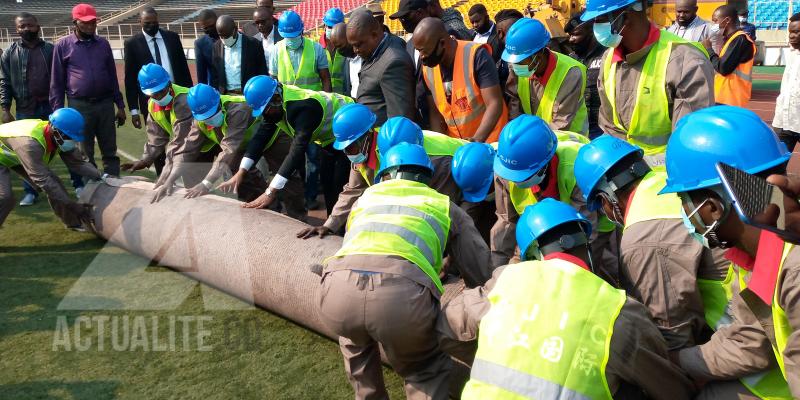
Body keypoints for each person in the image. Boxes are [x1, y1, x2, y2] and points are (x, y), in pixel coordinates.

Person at [441, 198, 695, 399]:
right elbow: (669, 388)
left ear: (531, 256)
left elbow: (451, 317)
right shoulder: (618, 310)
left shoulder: (506, 279)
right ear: (586, 245)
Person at [318, 142, 492, 400]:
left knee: (356, 349)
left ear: (385, 174)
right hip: (402, 301)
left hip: (336, 291)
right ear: (426, 176)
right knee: (424, 370)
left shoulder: (366, 198)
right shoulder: (442, 204)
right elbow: (481, 272)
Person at [660, 106, 797, 398]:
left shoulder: (793, 270)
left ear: (713, 207)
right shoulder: (760, 252)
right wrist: (682, 362)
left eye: (685, 200)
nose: (685, 214)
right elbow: (753, 339)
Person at [574, 135, 729, 351]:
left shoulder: (641, 240)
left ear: (606, 198)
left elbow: (673, 333)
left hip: (746, 332)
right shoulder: (665, 179)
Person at [296, 104, 463, 239]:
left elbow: (441, 206)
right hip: (445, 171)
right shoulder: (362, 153)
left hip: (459, 168)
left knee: (453, 219)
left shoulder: (399, 153)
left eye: (351, 147)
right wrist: (329, 226)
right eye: (345, 149)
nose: (348, 153)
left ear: (367, 136)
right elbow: (352, 191)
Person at [582, 0, 715, 168]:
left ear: (626, 15)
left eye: (600, 18)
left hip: (667, 173)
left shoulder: (686, 61)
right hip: (624, 168)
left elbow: (689, 144)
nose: (595, 27)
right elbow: (610, 127)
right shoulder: (609, 59)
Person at [491, 115, 619, 286]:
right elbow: (506, 223)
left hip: (594, 223)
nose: (516, 181)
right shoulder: (507, 169)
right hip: (541, 225)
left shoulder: (575, 167)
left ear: (545, 164)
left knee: (597, 271)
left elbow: (585, 235)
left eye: (524, 177)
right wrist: (496, 278)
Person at [227, 75, 353, 218]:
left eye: (265, 110)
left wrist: (270, 192)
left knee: (340, 183)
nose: (264, 115)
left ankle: (343, 229)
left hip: (350, 130)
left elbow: (296, 151)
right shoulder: (273, 108)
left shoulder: (302, 108)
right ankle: (334, 228)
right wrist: (241, 172)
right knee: (327, 182)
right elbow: (260, 138)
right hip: (328, 138)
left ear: (276, 99)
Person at [50, 3, 126, 187]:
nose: (91, 26)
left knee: (109, 148)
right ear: (75, 22)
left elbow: (112, 76)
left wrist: (120, 105)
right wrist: (57, 114)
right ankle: (91, 190)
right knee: (85, 151)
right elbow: (56, 83)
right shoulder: (62, 45)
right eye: (86, 23)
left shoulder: (103, 44)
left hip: (105, 104)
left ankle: (113, 184)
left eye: (93, 22)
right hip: (79, 106)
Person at [152, 84, 266, 204]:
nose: (209, 118)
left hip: (270, 138)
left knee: (278, 177)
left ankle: (273, 206)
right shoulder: (200, 119)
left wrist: (206, 183)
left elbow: (229, 149)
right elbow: (187, 149)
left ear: (218, 101)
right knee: (237, 176)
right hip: (241, 143)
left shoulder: (238, 110)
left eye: (212, 113)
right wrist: (171, 179)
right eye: (205, 117)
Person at [0, 108, 101, 229]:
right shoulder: (30, 144)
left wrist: (101, 176)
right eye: (71, 137)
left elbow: (77, 163)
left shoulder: (58, 135)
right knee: (6, 197)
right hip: (9, 154)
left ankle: (72, 222)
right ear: (56, 132)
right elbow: (43, 180)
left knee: (54, 184)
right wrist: (72, 205)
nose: (73, 142)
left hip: (13, 155)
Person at [414, 17, 508, 142]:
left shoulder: (477, 56)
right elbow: (435, 113)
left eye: (424, 51)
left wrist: (476, 141)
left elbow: (494, 104)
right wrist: (443, 146)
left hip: (491, 142)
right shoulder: (428, 69)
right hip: (458, 147)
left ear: (442, 43)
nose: (422, 57)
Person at [123, 8, 192, 176]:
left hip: (178, 98)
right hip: (152, 101)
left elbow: (183, 68)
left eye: (154, 22)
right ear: (140, 22)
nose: (152, 26)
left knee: (186, 138)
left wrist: (190, 94)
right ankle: (164, 177)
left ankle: (189, 175)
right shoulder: (132, 43)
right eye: (147, 23)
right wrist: (133, 110)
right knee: (157, 140)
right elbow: (130, 79)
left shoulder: (172, 38)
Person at [1, 12, 56, 206]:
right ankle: (31, 192)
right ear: (17, 29)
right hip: (25, 109)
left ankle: (78, 185)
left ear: (38, 26)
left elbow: (58, 79)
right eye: (22, 26)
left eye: (30, 25)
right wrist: (6, 108)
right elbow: (4, 82)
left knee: (63, 146)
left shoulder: (50, 49)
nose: (26, 29)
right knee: (25, 153)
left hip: (50, 107)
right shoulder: (9, 52)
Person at [504, 18, 588, 135]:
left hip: (567, 144)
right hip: (533, 139)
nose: (513, 66)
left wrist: (526, 139)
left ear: (537, 57)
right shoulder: (519, 68)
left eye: (519, 61)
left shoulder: (570, 73)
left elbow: (560, 124)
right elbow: (514, 104)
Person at [120, 64, 194, 187]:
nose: (158, 96)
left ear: (169, 84)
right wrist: (145, 160)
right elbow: (156, 137)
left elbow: (180, 141)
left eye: (161, 91)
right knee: (192, 186)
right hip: (194, 146)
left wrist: (167, 173)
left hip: (212, 141)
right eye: (154, 94)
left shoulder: (184, 100)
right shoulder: (152, 105)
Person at [348, 11, 415, 125]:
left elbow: (399, 121)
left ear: (374, 35)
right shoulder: (372, 51)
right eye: (353, 45)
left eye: (358, 45)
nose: (355, 50)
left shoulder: (393, 62)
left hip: (381, 139)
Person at [702, 5, 756, 108]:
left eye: (715, 21)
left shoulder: (740, 39)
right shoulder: (730, 39)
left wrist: (709, 49)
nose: (713, 25)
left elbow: (723, 68)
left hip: (731, 99)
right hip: (723, 97)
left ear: (727, 20)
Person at [565, 16, 606, 138]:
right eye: (569, 35)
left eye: (576, 34)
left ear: (592, 32)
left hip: (602, 130)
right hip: (578, 130)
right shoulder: (570, 59)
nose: (571, 39)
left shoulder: (607, 55)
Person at [269, 11, 331, 92]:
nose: (291, 39)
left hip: (312, 102)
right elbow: (273, 80)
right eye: (288, 36)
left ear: (302, 30)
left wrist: (326, 101)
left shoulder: (316, 48)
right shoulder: (276, 50)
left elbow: (325, 78)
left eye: (294, 35)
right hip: (287, 102)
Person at [212, 15, 267, 95]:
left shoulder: (254, 44)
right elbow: (215, 75)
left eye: (227, 36)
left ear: (235, 29)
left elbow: (262, 72)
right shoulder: (216, 47)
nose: (224, 39)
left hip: (249, 95)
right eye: (221, 36)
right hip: (226, 96)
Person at [773, 13, 800, 150]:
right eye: (790, 32)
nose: (791, 36)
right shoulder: (792, 55)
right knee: (776, 165)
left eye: (796, 32)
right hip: (785, 121)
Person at [329, 23, 360, 97]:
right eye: (335, 47)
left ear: (349, 38)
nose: (338, 50)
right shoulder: (346, 62)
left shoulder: (366, 57)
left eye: (339, 46)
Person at [322, 9, 348, 95]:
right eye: (330, 27)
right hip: (325, 98)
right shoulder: (316, 47)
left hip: (345, 97)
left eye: (336, 28)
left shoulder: (349, 46)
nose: (333, 30)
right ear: (324, 25)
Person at [251, 7, 282, 74]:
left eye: (263, 22)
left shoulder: (283, 37)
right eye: (257, 23)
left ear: (272, 20)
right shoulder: (254, 41)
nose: (260, 25)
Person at [194, 9, 219, 85]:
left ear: (217, 21)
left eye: (211, 26)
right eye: (205, 28)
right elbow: (201, 73)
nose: (209, 30)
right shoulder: (200, 43)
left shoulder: (230, 36)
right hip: (216, 88)